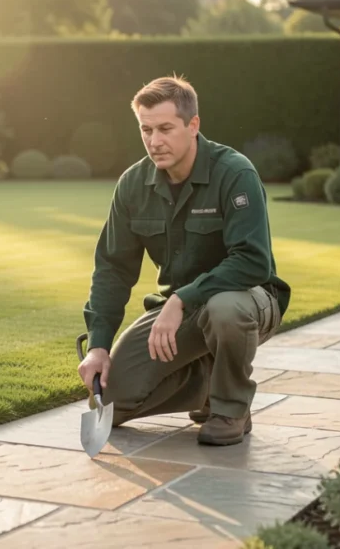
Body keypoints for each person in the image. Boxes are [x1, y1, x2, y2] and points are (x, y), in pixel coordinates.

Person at [78, 75, 291, 446]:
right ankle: (208, 383)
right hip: (181, 312)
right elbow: (113, 267)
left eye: (165, 128)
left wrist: (181, 299)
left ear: (193, 125)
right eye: (145, 129)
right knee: (113, 401)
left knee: (224, 309)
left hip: (247, 300)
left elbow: (253, 262)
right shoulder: (132, 184)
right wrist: (98, 344)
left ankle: (231, 407)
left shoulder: (234, 173)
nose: (154, 141)